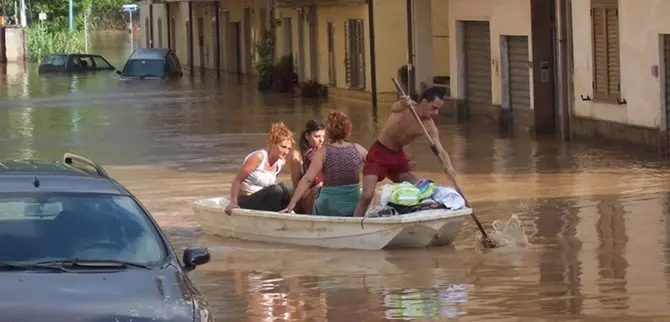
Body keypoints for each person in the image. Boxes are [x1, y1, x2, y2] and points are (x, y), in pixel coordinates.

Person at [352, 87, 456, 217]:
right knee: (367, 195)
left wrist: (449, 166)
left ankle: (416, 219)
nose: (436, 113)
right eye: (434, 108)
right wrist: (401, 103)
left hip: (398, 157)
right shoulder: (407, 105)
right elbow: (394, 107)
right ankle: (356, 221)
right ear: (424, 102)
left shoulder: (429, 126)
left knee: (420, 190)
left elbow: (440, 149)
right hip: (379, 151)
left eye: (438, 109)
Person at [280, 111, 367, 217]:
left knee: (315, 196)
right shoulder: (358, 149)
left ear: (328, 132)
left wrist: (293, 201)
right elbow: (376, 165)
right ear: (348, 131)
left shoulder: (324, 152)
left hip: (329, 206)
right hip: (355, 204)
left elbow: (308, 179)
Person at [225, 122, 294, 215]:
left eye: (289, 148)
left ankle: (285, 214)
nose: (286, 151)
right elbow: (237, 181)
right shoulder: (258, 157)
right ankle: (269, 218)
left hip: (262, 200)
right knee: (276, 190)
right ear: (273, 144)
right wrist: (233, 202)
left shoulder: (280, 162)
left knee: (286, 190)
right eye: (283, 147)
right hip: (246, 199)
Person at [288, 119, 325, 214]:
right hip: (304, 196)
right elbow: (296, 184)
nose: (321, 140)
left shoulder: (324, 152)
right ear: (307, 136)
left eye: (323, 136)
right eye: (317, 136)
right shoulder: (297, 155)